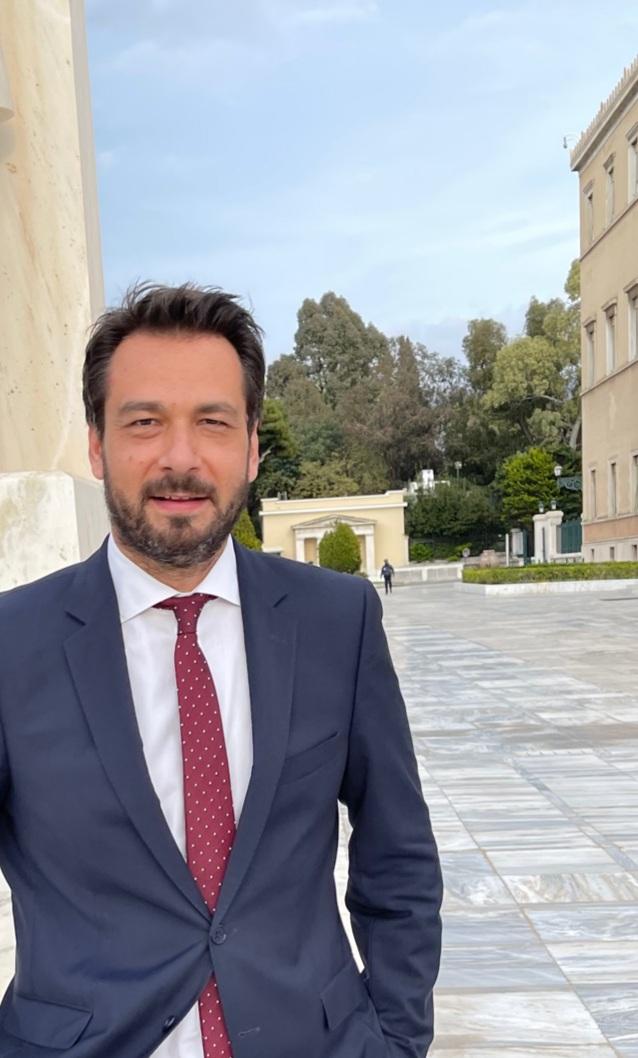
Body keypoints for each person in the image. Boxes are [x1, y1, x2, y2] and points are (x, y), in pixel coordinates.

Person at [0, 283, 442, 1058]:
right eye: (144, 422)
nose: (180, 458)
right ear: (97, 445)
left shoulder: (337, 622)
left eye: (212, 421)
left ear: (251, 446)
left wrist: (397, 1040)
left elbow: (397, 855)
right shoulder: (12, 644)